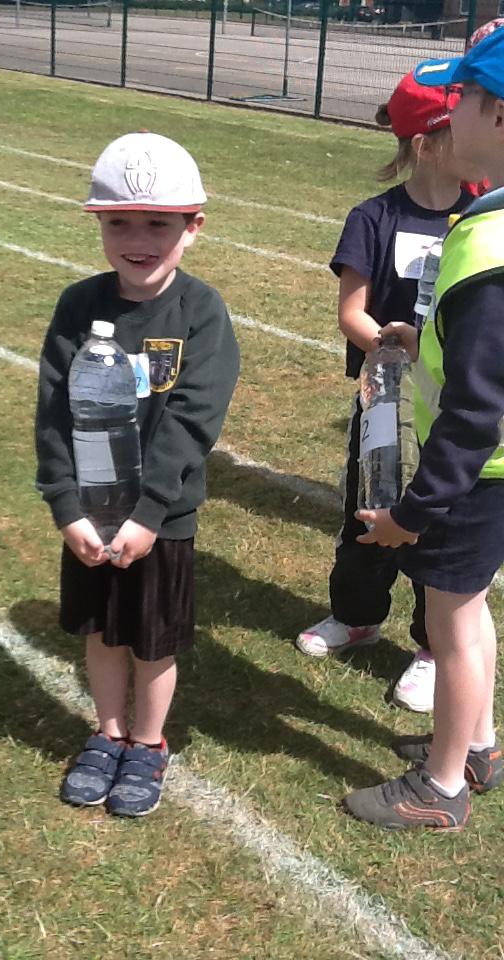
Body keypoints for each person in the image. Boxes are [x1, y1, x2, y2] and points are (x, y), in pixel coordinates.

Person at [35, 132, 239, 818]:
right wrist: (66, 506)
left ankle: (147, 743)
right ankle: (108, 732)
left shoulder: (200, 312)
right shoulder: (78, 305)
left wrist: (150, 512)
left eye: (158, 223)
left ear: (193, 227)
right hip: (90, 515)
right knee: (101, 632)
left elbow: (193, 421)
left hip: (160, 519)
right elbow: (53, 411)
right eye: (119, 223)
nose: (137, 240)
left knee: (152, 641)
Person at [343, 31, 504, 829]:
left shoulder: (489, 238)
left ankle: (441, 787)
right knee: (471, 609)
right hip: (490, 473)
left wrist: (413, 512)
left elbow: (477, 409)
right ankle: (477, 746)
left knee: (451, 621)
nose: (454, 112)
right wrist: (422, 337)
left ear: (498, 114)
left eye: (465, 98)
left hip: (475, 476)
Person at [295, 70, 478, 714]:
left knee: (437, 521)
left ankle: (432, 648)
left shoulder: (483, 214)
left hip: (451, 406)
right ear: (425, 144)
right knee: (369, 510)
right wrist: (391, 350)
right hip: (386, 399)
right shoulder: (374, 217)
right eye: (461, 124)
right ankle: (357, 615)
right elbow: (353, 311)